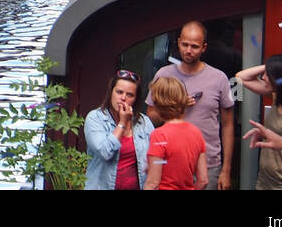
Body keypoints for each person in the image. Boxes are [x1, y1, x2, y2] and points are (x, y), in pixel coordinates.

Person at [146, 21, 235, 189]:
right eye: (185, 44)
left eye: (194, 46)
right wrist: (176, 106)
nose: (188, 50)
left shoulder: (219, 78)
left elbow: (228, 125)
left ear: (204, 47)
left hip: (209, 163)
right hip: (170, 164)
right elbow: (150, 118)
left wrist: (226, 169)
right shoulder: (163, 75)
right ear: (178, 42)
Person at [235, 54, 282, 190]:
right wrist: (271, 66)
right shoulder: (277, 96)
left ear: (280, 78)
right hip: (264, 180)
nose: (263, 77)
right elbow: (240, 77)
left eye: (268, 74)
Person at [84, 70, 155, 190]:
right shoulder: (95, 118)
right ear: (111, 92)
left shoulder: (144, 122)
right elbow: (105, 152)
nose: (123, 98)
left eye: (130, 95)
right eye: (119, 92)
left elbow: (156, 156)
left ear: (135, 99)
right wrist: (122, 123)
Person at [143, 76, 208, 190]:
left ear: (157, 103)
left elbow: (153, 183)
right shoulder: (196, 132)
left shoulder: (159, 135)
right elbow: (203, 180)